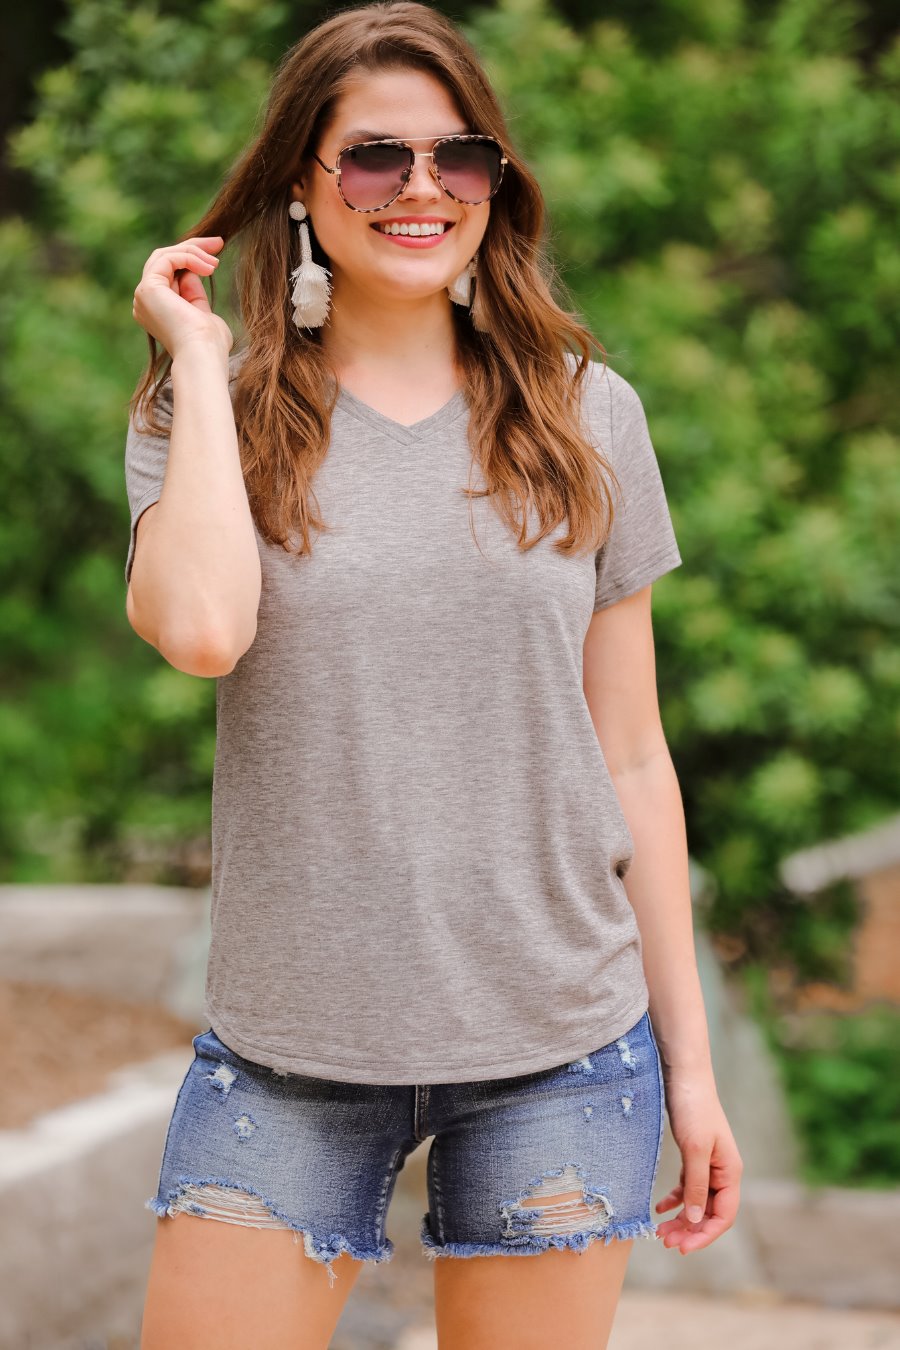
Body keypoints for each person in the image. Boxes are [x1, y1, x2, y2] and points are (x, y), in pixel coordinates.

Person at [125, 3, 742, 1346]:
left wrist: (691, 1072)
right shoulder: (206, 415)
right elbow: (204, 631)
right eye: (373, 158)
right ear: (303, 182)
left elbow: (630, 755)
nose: (420, 191)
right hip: (290, 1050)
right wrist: (199, 358)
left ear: (493, 185)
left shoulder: (590, 413)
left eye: (458, 160)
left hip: (559, 1048)